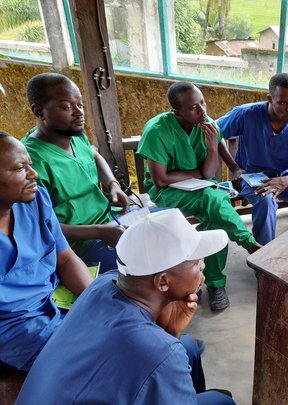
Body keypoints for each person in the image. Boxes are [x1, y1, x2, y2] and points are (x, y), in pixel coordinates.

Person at [17, 209, 236, 404]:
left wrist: (170, 333)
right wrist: (166, 342)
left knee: (187, 348)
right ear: (162, 282)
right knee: (221, 400)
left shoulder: (104, 283)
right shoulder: (161, 353)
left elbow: (155, 352)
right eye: (197, 263)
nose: (203, 265)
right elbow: (157, 354)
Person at [136, 81, 259, 311]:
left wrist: (213, 147)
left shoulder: (208, 125)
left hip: (201, 187)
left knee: (214, 218)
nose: (202, 110)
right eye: (194, 107)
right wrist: (199, 173)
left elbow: (210, 173)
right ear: (177, 111)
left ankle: (208, 282)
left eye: (202, 102)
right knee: (214, 200)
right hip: (166, 192)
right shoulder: (157, 130)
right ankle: (247, 246)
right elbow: (160, 180)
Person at [0, 132, 93, 371]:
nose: (34, 174)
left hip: (57, 305)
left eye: (30, 164)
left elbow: (65, 258)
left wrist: (95, 299)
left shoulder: (36, 201)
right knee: (97, 359)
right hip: (16, 332)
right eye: (20, 168)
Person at [23, 73, 131, 273]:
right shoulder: (30, 162)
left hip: (111, 220)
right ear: (39, 111)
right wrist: (98, 231)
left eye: (79, 105)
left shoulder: (74, 135)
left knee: (169, 228)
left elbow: (94, 156)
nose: (79, 112)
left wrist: (112, 184)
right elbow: (41, 227)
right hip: (77, 248)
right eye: (67, 107)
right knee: (144, 266)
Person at [217, 73, 288, 244]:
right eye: (283, 102)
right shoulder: (246, 114)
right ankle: (262, 257)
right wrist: (234, 168)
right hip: (251, 177)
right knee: (266, 200)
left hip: (284, 176)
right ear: (270, 99)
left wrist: (286, 180)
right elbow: (214, 133)